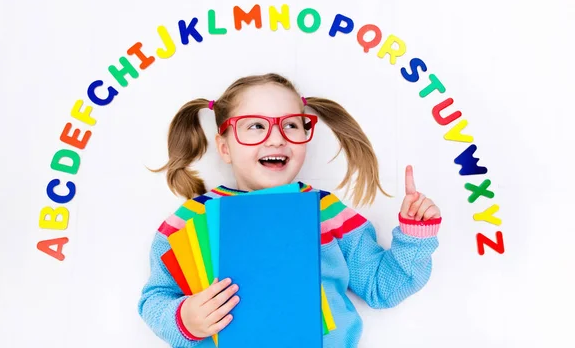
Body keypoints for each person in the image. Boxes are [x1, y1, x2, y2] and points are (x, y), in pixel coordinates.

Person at [138, 73, 442, 348]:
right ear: (225, 147)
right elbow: (155, 299)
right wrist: (186, 320)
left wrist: (415, 237)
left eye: (291, 125)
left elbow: (383, 288)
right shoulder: (190, 220)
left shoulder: (327, 212)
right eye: (256, 126)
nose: (276, 137)